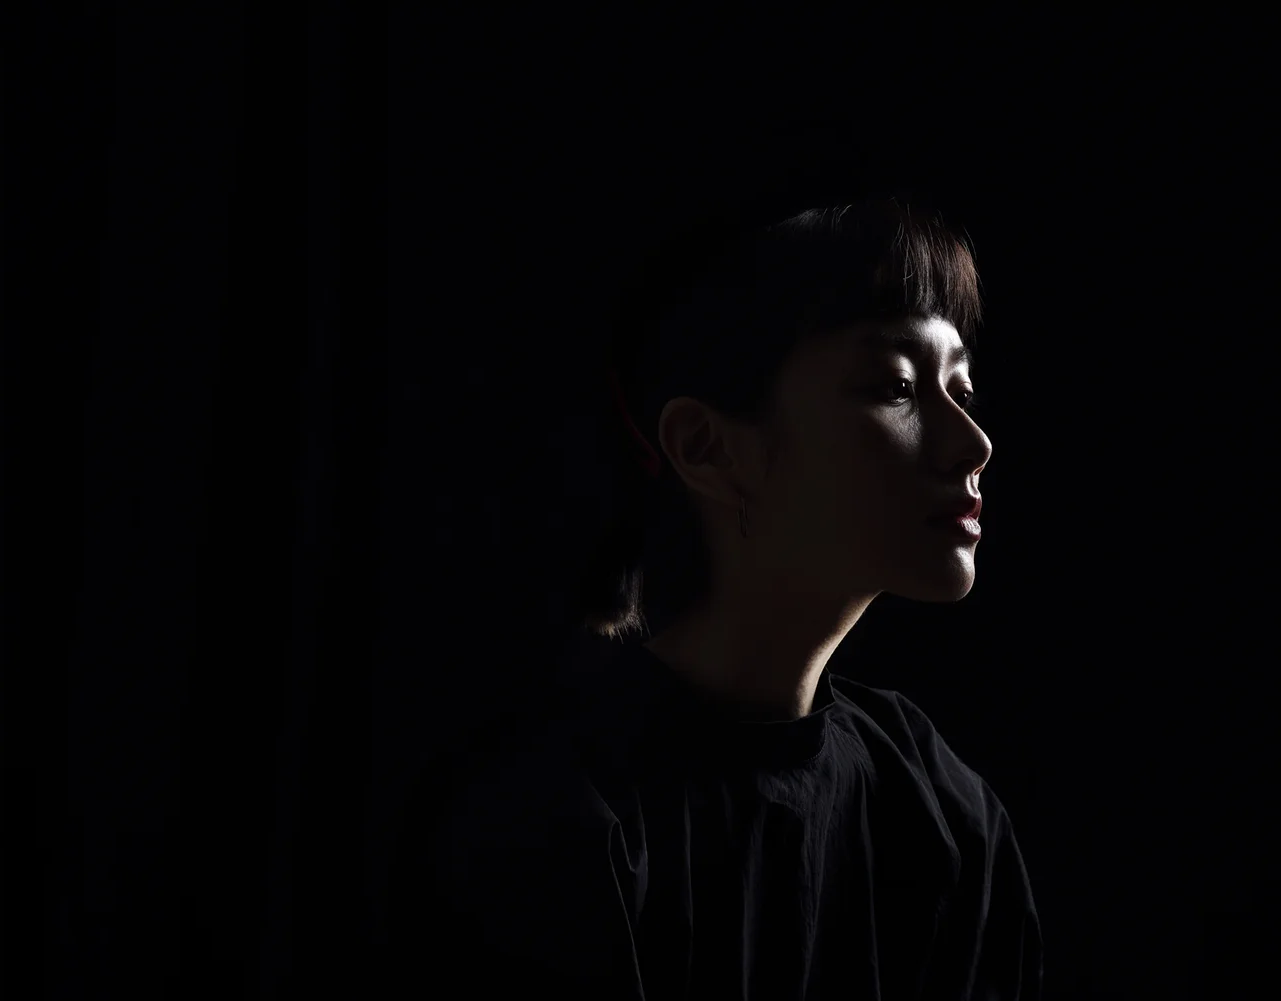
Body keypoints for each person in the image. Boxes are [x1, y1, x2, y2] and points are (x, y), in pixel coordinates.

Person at [380, 194, 1044, 999]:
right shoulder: (545, 820)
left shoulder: (942, 813)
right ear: (706, 446)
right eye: (896, 386)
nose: (974, 443)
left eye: (961, 392)